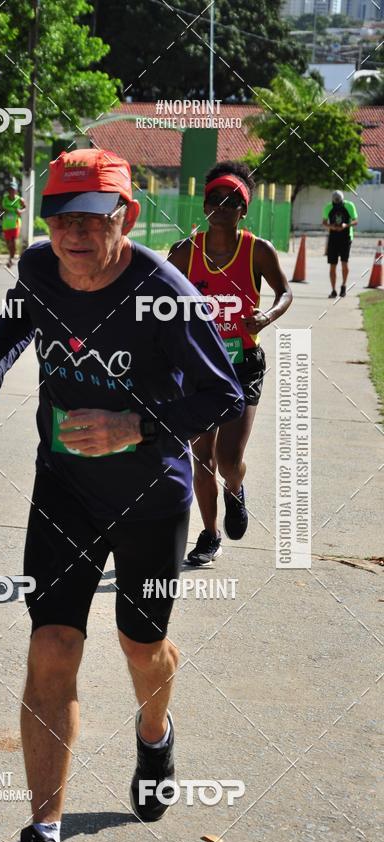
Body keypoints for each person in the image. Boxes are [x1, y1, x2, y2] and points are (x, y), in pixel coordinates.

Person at [0, 148, 244, 842]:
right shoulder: (41, 266)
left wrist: (133, 427)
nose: (73, 235)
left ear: (127, 218)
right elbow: (21, 314)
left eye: (91, 219)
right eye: (59, 217)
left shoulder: (163, 291)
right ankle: (43, 841)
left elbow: (222, 394)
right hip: (66, 490)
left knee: (141, 649)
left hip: (151, 497)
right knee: (51, 645)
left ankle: (155, 737)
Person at [168, 161, 292, 567]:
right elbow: (157, 298)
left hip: (243, 365)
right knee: (201, 456)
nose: (220, 206)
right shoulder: (186, 251)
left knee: (227, 460)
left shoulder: (257, 250)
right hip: (200, 367)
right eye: (214, 199)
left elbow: (284, 293)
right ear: (204, 205)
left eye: (231, 200)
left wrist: (267, 317)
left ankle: (235, 489)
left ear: (244, 209)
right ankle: (209, 534)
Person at [322, 189, 358, 299]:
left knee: (344, 263)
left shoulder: (349, 205)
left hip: (346, 237)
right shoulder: (328, 207)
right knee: (332, 265)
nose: (337, 204)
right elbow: (324, 222)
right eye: (335, 202)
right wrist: (331, 226)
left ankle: (343, 285)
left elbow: (355, 221)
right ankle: (333, 290)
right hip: (333, 238)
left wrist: (345, 225)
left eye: (339, 202)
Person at [1, 178, 26, 267]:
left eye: (13, 190)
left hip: (15, 224)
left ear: (16, 191)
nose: (12, 192)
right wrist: (4, 210)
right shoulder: (5, 199)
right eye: (10, 190)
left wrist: (20, 211)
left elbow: (24, 208)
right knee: (8, 243)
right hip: (6, 224)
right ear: (8, 190)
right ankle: (11, 256)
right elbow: (2, 208)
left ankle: (11, 258)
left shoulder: (20, 199)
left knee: (13, 241)